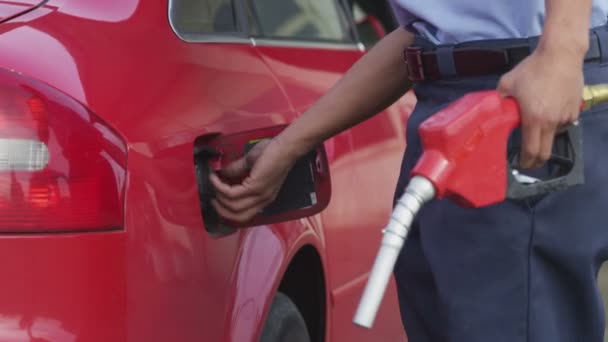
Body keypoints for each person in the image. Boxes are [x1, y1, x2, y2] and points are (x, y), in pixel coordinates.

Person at [210, 0, 608, 340]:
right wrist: (289, 144)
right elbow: (425, 34)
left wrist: (562, 50)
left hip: (520, 86)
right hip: (445, 93)